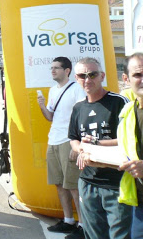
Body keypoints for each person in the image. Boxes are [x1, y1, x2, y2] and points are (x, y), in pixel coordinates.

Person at [70, 57, 131, 239]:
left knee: (120, 235)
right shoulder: (78, 107)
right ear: (76, 78)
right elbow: (74, 138)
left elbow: (128, 140)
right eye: (82, 75)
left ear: (102, 76)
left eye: (92, 74)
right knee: (94, 235)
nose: (87, 80)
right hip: (88, 182)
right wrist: (82, 149)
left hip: (116, 183)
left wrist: (96, 144)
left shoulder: (119, 102)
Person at [36, 57, 87, 235]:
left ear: (67, 71)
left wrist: (77, 144)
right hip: (53, 140)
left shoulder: (76, 89)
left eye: (56, 68)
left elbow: (83, 115)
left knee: (73, 185)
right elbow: (50, 117)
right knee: (59, 183)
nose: (53, 71)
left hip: (68, 141)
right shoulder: (52, 90)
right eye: (51, 68)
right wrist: (42, 106)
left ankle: (83, 225)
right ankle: (68, 220)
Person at [117, 53, 143, 238]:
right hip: (139, 202)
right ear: (126, 78)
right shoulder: (130, 111)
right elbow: (126, 149)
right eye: (138, 75)